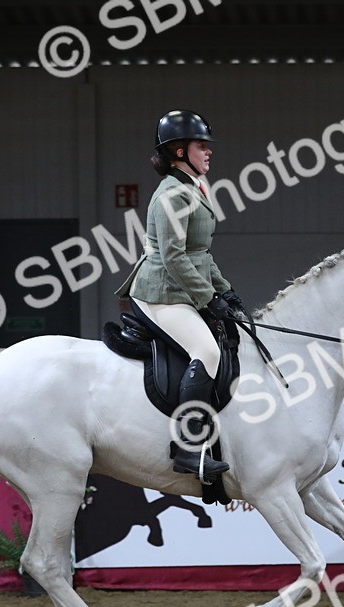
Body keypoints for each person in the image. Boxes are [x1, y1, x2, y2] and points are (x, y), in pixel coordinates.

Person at [115, 110, 245, 479]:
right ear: (177, 151)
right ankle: (187, 448)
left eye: (207, 146)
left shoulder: (192, 189)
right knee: (206, 350)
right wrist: (208, 299)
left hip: (182, 287)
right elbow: (173, 257)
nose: (209, 152)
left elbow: (200, 254)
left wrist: (226, 291)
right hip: (160, 293)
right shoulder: (172, 195)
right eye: (201, 146)